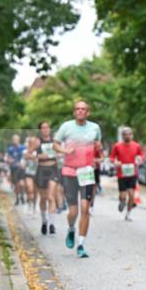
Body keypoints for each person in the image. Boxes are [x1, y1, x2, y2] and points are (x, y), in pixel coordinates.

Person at [54, 100, 102, 257]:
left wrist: (98, 149)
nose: (80, 111)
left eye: (83, 109)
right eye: (78, 109)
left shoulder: (95, 128)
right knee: (73, 211)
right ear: (74, 112)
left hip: (86, 172)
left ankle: (81, 244)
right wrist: (64, 150)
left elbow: (98, 145)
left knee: (85, 209)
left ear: (88, 112)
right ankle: (71, 228)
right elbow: (55, 144)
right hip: (69, 172)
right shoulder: (66, 127)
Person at [33, 121, 61, 234]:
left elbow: (61, 152)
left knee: (51, 197)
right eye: (43, 128)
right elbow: (27, 155)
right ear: (40, 130)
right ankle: (44, 221)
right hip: (41, 170)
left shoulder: (55, 141)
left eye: (47, 127)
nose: (45, 129)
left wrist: (59, 154)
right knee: (43, 198)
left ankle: (52, 224)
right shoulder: (37, 141)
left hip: (53, 170)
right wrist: (39, 155)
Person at [110, 127, 143, 220]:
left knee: (131, 194)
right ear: (122, 136)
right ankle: (122, 201)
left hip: (133, 173)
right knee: (123, 195)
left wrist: (140, 159)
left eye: (129, 134)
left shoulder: (137, 146)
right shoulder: (117, 146)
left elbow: (141, 155)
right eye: (125, 134)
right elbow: (112, 157)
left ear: (132, 135)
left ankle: (128, 214)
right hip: (122, 173)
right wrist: (115, 162)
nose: (127, 136)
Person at [5, 134, 26, 205]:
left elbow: (26, 156)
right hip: (13, 169)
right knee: (16, 185)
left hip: (21, 169)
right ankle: (17, 198)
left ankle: (22, 195)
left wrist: (23, 163)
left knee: (22, 184)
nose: (15, 141)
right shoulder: (10, 149)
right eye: (14, 140)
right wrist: (10, 160)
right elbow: (8, 158)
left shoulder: (23, 147)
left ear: (19, 140)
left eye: (16, 139)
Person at [22, 136, 38, 213]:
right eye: (30, 142)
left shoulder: (38, 151)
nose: (32, 144)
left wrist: (32, 157)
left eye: (33, 142)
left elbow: (39, 159)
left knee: (35, 192)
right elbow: (23, 161)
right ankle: (28, 205)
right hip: (28, 173)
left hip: (37, 174)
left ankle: (34, 208)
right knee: (29, 189)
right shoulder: (25, 151)